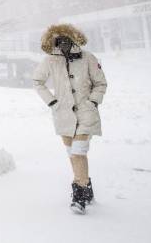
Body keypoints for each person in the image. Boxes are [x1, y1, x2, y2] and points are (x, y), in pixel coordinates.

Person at [33, 24, 108, 215]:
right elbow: (37, 81)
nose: (64, 44)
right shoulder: (50, 61)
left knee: (78, 152)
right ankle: (86, 186)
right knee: (73, 154)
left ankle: (79, 196)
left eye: (67, 40)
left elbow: (101, 83)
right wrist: (52, 102)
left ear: (74, 39)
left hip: (86, 112)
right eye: (59, 41)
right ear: (53, 42)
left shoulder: (88, 58)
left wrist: (93, 102)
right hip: (63, 114)